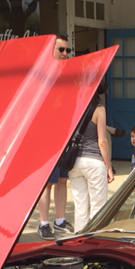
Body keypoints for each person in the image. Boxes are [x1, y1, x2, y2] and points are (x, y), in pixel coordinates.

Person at [37, 34, 76, 239]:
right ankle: (43, 223)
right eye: (61, 50)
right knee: (47, 183)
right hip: (46, 138)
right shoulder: (43, 75)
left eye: (67, 50)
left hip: (64, 137)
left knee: (62, 180)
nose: (64, 54)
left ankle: (60, 221)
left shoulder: (66, 75)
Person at [68, 79, 114, 232]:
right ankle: (94, 241)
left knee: (80, 206)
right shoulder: (99, 109)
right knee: (98, 207)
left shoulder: (73, 106)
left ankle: (79, 240)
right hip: (94, 162)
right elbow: (102, 142)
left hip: (74, 162)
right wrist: (109, 167)